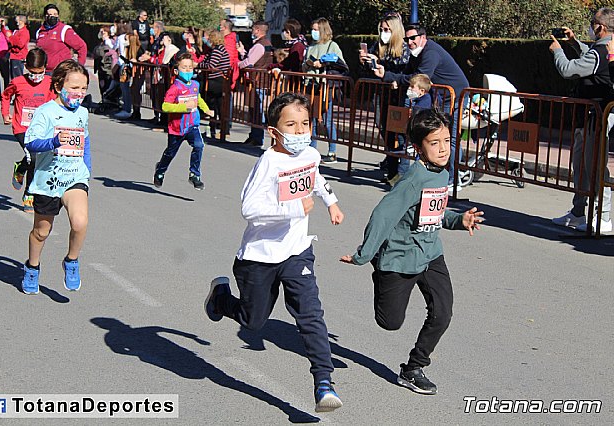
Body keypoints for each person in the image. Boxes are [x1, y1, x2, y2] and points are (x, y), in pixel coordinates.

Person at [204, 92, 344, 413]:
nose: (299, 132)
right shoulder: (268, 163)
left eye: (305, 124)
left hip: (297, 251)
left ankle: (324, 382)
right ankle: (221, 297)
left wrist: (331, 202)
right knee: (252, 322)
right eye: (291, 125)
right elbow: (250, 209)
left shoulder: (310, 154)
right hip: (259, 256)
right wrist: (295, 209)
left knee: (310, 314)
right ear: (273, 132)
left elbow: (316, 179)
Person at [340, 109, 484, 395]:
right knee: (390, 322)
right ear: (418, 148)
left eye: (446, 141)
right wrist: (364, 255)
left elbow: (434, 213)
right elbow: (382, 216)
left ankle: (413, 368)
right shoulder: (412, 181)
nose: (443, 149)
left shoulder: (440, 173)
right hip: (399, 259)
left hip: (430, 254)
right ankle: (381, 276)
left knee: (443, 312)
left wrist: (458, 220)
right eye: (434, 143)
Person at [21, 59, 92, 295]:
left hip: (74, 177)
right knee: (41, 231)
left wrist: (87, 168)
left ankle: (71, 261)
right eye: (74, 88)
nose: (79, 93)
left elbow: (85, 141)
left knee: (80, 222)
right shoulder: (46, 112)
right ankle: (32, 267)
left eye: (83, 88)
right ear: (59, 85)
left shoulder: (82, 113)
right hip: (48, 180)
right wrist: (52, 142)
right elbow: (31, 142)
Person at [374, 24, 470, 193]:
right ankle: (437, 174)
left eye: (413, 38)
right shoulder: (416, 53)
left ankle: (453, 179)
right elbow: (408, 73)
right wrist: (392, 77)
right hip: (440, 96)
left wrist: (390, 76)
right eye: (407, 39)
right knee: (436, 135)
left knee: (449, 137)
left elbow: (419, 77)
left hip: (454, 95)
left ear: (423, 38)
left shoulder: (430, 53)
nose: (410, 42)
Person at [550, 8, 613, 233]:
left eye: (592, 22)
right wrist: (575, 42)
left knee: (594, 166)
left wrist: (558, 51)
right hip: (587, 116)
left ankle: (603, 217)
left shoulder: (604, 50)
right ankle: (579, 211)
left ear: (600, 27)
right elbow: (590, 58)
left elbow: (569, 70)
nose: (590, 26)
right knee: (582, 165)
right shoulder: (603, 47)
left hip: (597, 115)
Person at [2, 47, 56, 212]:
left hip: (41, 129)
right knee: (32, 156)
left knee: (36, 160)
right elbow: (6, 96)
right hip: (21, 127)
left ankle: (21, 168)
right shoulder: (18, 82)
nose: (36, 76)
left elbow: (54, 104)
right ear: (26, 67)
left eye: (39, 72)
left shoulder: (49, 83)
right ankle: (29, 196)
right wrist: (6, 114)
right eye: (32, 72)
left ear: (45, 68)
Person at [360, 12, 411, 182]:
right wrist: (367, 62)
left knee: (401, 134)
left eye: (387, 29)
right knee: (384, 129)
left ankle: (401, 173)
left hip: (400, 95)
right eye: (382, 29)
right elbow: (372, 72)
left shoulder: (404, 48)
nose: (384, 32)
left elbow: (404, 71)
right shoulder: (378, 46)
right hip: (383, 95)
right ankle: (392, 167)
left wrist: (383, 68)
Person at [153, 53, 213, 191]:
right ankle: (160, 170)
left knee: (199, 145)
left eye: (190, 68)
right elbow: (165, 106)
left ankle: (194, 174)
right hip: (177, 127)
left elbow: (198, 99)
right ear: (176, 70)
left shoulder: (195, 84)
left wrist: (206, 109)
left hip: (192, 125)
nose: (188, 71)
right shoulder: (175, 88)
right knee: (170, 153)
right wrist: (183, 107)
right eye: (184, 68)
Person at [302, 17, 346, 164]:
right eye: (312, 29)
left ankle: (332, 151)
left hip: (325, 86)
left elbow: (340, 63)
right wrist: (308, 64)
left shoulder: (332, 45)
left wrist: (322, 63)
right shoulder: (310, 46)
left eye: (316, 29)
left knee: (327, 120)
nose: (313, 32)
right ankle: (312, 149)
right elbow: (304, 65)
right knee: (311, 119)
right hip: (311, 85)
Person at [387, 73, 433, 187]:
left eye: (412, 87)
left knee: (419, 159)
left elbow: (419, 117)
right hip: (417, 135)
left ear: (422, 91)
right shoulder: (419, 100)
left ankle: (414, 180)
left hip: (420, 134)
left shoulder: (424, 101)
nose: (409, 89)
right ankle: (406, 178)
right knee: (411, 154)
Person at [237, 21, 273, 148]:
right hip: (259, 80)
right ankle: (254, 135)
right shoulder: (264, 44)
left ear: (257, 30)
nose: (252, 31)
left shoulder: (260, 45)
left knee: (256, 109)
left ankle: (257, 137)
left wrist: (237, 64)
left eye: (253, 29)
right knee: (255, 109)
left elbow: (249, 62)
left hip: (257, 81)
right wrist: (242, 52)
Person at [197, 30, 231, 140]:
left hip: (217, 81)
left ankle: (221, 130)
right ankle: (213, 129)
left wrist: (198, 65)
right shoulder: (217, 49)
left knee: (217, 105)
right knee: (215, 106)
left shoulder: (218, 50)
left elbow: (211, 65)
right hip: (217, 80)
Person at [36, 4, 87, 74]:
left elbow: (82, 46)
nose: (52, 16)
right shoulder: (40, 32)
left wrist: (80, 68)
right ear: (45, 16)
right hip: (43, 72)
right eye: (50, 14)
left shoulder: (64, 30)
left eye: (55, 14)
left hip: (61, 72)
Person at [0, 16, 11, 92]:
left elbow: (10, 42)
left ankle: (6, 93)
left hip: (4, 56)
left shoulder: (7, 31)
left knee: (5, 76)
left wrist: (7, 55)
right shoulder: (0, 32)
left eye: (1, 21)